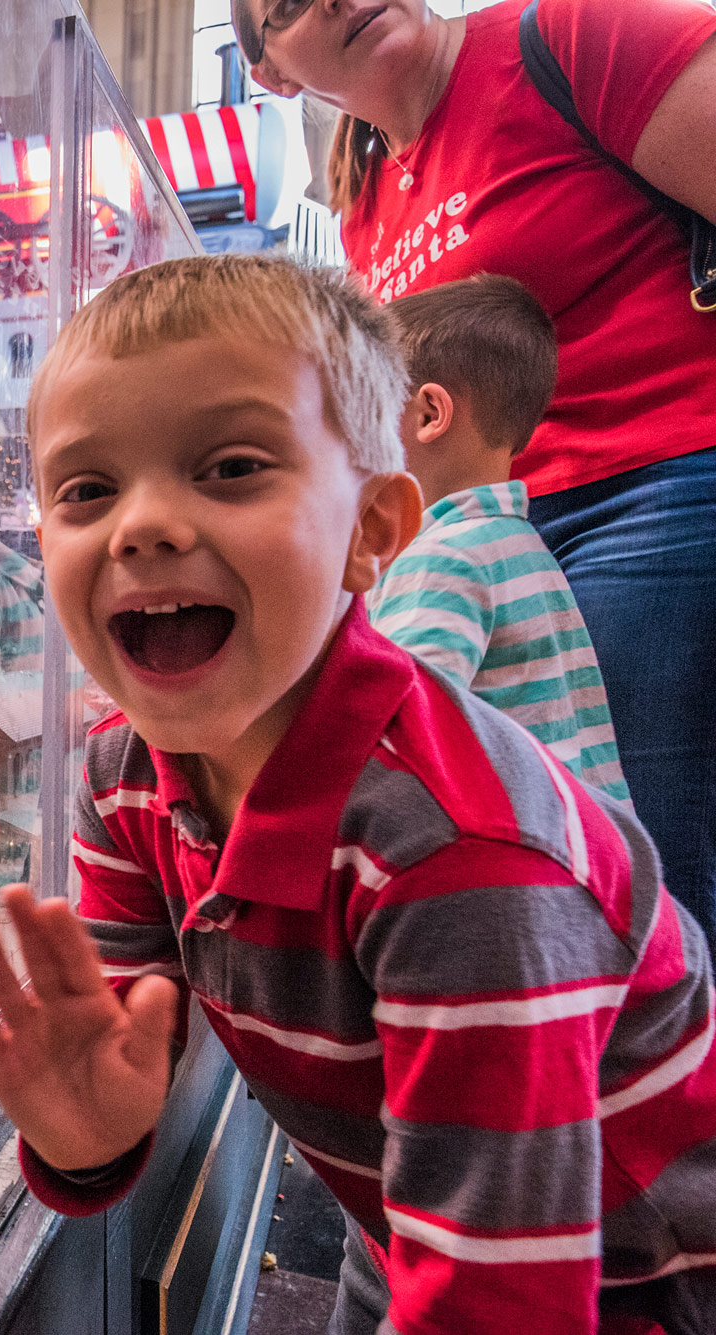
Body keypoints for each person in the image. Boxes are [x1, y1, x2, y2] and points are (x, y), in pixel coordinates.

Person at [0, 255, 716, 1333]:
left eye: (229, 467)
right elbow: (119, 1063)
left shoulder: (457, 858)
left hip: (639, 1279)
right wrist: (85, 1137)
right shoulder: (121, 780)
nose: (142, 526)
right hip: (411, 1210)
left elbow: (504, 1304)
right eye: (86, 488)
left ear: (371, 531)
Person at [229, 0, 716, 937]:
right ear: (275, 74)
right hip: (497, 531)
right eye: (287, 4)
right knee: (542, 855)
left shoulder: (570, 40)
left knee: (646, 866)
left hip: (662, 486)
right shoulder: (366, 203)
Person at [370, 275, 628, 801]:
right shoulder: (515, 545)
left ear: (429, 414)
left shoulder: (442, 559)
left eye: (358, 410)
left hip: (509, 871)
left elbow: (387, 734)